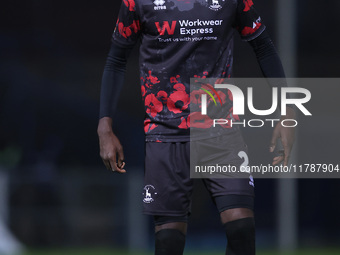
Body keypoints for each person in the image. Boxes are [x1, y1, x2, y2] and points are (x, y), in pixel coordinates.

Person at [97, 0, 295, 254]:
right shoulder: (138, 2)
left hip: (221, 130)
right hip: (164, 132)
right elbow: (116, 59)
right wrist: (105, 126)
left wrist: (286, 110)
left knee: (241, 227)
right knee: (169, 240)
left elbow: (263, 46)